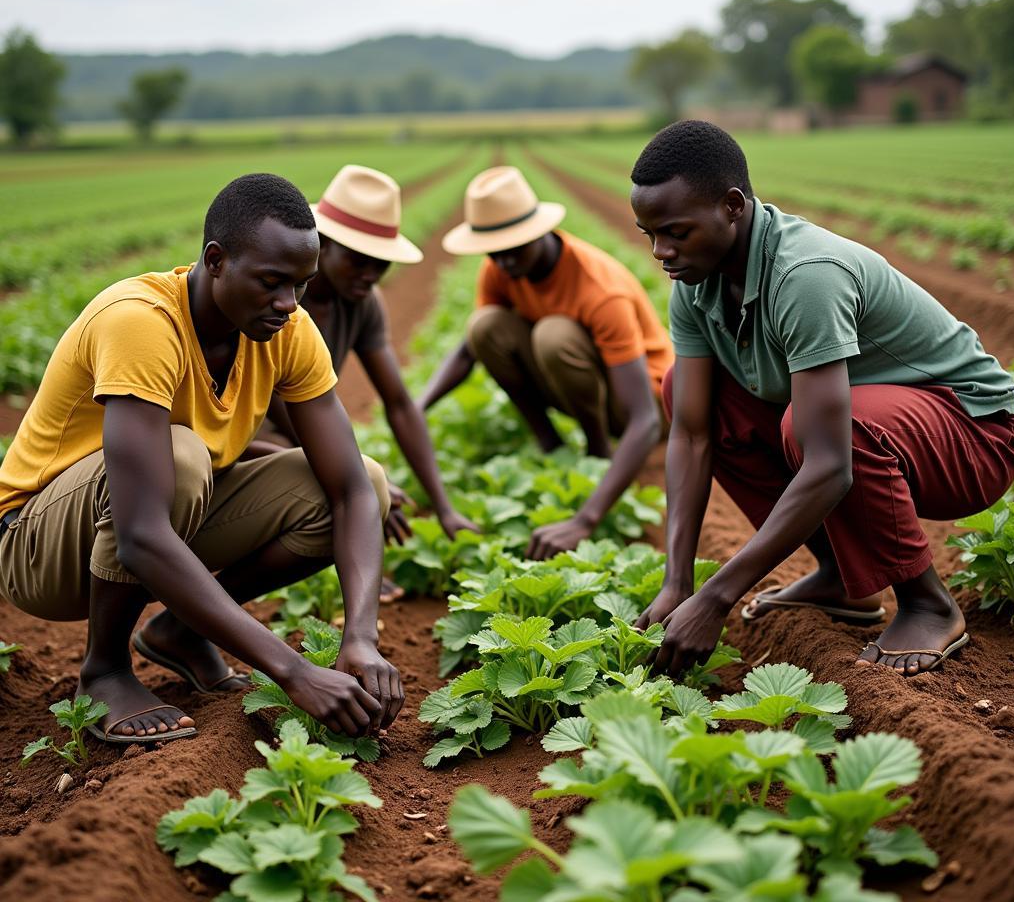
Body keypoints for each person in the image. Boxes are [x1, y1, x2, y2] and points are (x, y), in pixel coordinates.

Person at [0, 173, 404, 742]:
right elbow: (140, 532)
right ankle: (105, 670)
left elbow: (350, 492)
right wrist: (291, 670)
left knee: (369, 478)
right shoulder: (141, 322)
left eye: (302, 285)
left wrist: (360, 637)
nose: (288, 304)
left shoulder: (286, 329)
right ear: (215, 260)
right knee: (182, 454)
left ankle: (181, 632)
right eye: (271, 282)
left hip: (160, 516)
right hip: (38, 546)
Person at [630, 120, 1014, 678]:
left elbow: (831, 465)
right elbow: (692, 433)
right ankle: (840, 576)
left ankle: (927, 603)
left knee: (818, 430)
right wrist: (678, 582)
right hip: (885, 423)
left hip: (973, 434)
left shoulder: (807, 275)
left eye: (675, 231)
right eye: (648, 233)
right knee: (686, 391)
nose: (660, 251)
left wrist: (716, 599)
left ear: (733, 206)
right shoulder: (697, 283)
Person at [247, 164, 478, 601]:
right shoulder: (282, 302)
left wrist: (444, 507)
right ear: (322, 246)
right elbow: (283, 406)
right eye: (358, 259)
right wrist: (354, 476)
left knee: (358, 487)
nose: (370, 273)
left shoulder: (363, 304)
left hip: (296, 434)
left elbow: (399, 403)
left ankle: (358, 566)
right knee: (349, 490)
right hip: (245, 435)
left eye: (380, 262)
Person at [420, 165, 671, 560]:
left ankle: (598, 450)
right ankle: (550, 441)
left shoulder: (600, 288)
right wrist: (418, 406)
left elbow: (646, 418)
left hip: (647, 401)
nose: (502, 262)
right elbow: (471, 348)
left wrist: (585, 520)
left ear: (538, 231)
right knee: (484, 326)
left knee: (554, 335)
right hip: (581, 384)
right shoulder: (502, 269)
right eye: (493, 251)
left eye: (513, 247)